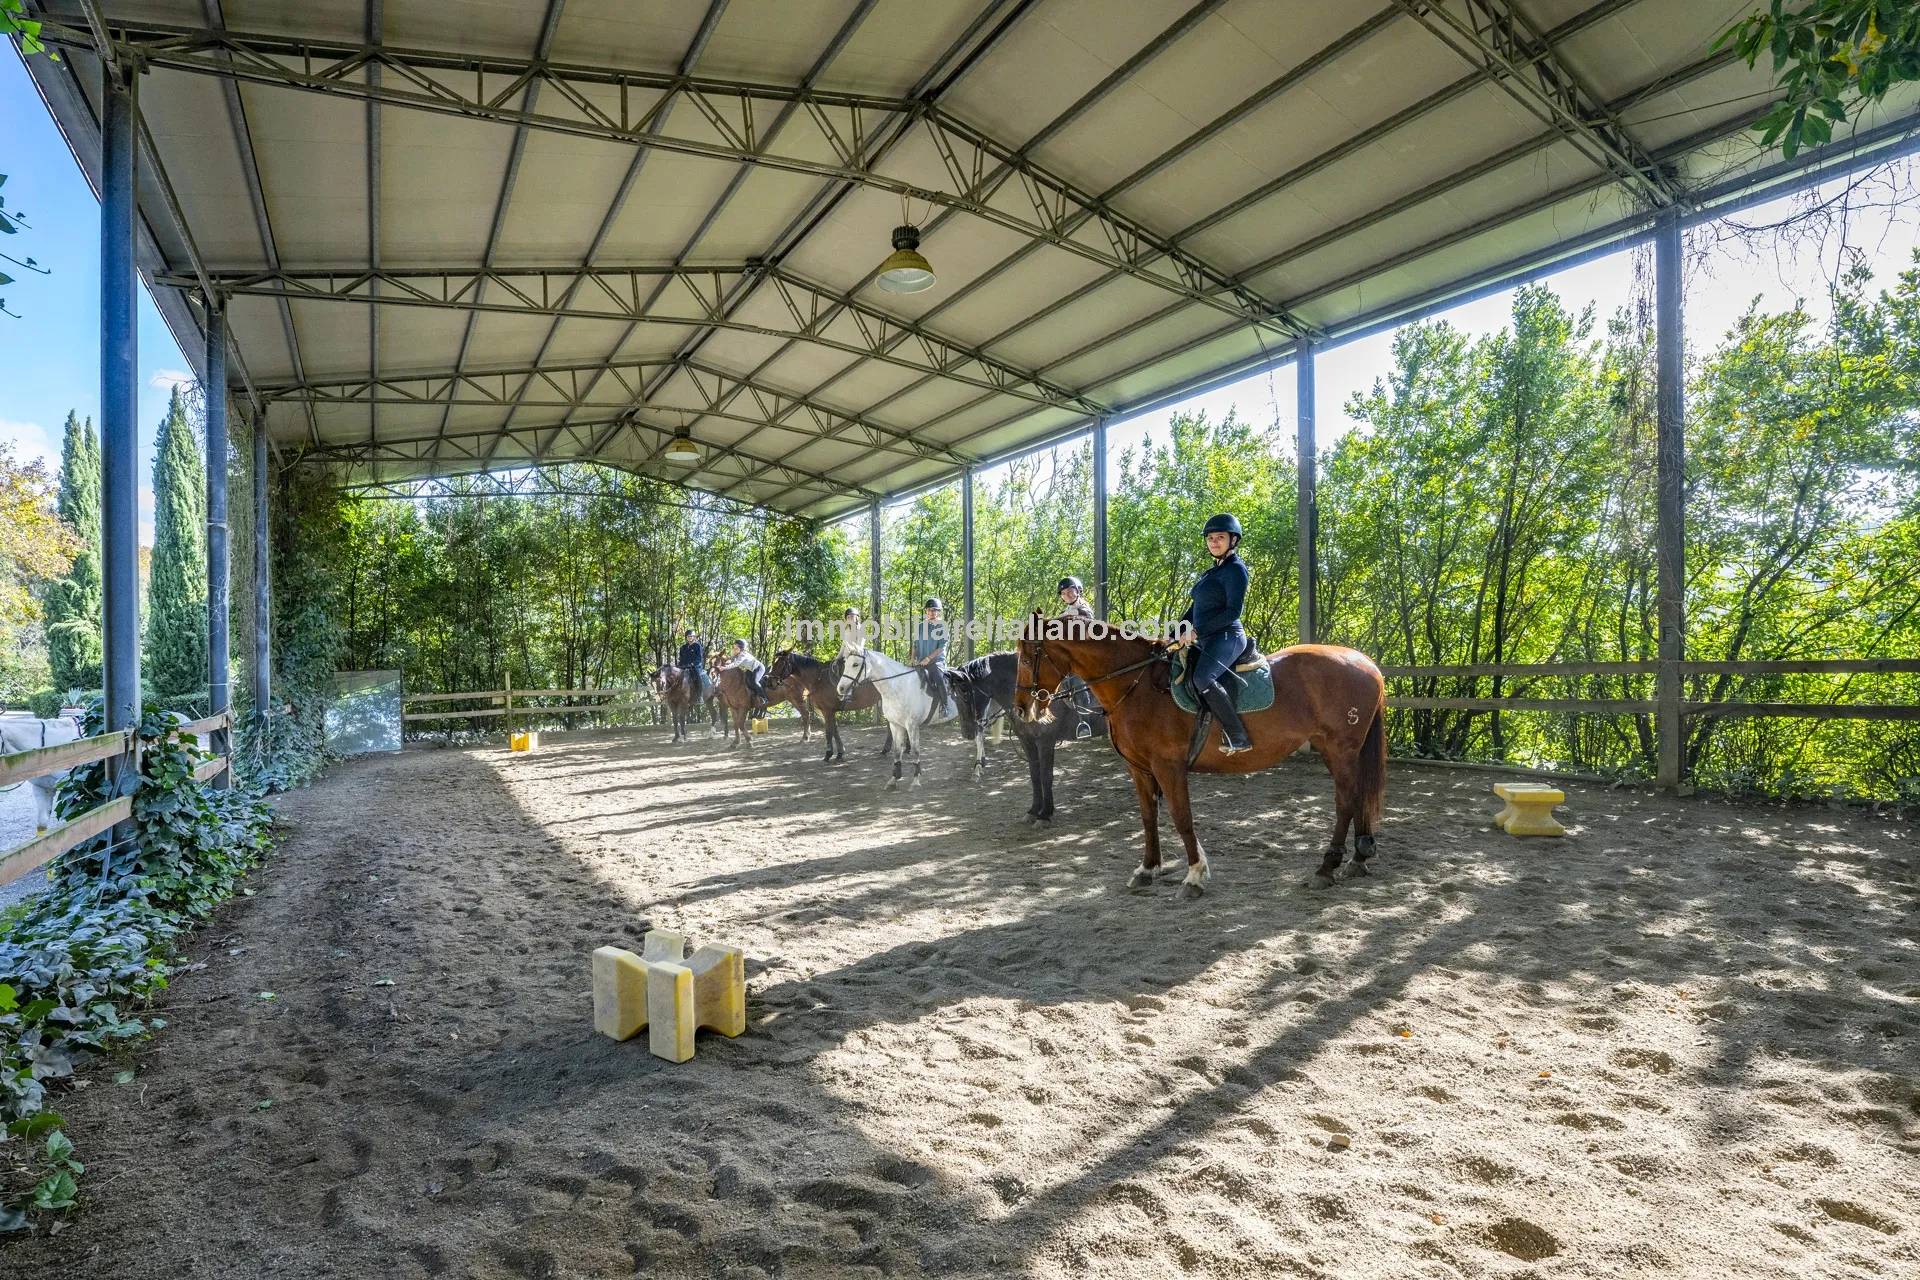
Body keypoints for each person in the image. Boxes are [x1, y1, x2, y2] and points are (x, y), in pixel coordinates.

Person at [1174, 514, 1253, 754]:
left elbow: (1232, 612)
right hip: (1207, 638)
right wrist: (1173, 632)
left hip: (1227, 637)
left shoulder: (1236, 570)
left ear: (1233, 540)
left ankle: (1238, 735)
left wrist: (1197, 632)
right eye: (1210, 538)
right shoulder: (1209, 573)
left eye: (1220, 537)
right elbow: (1193, 610)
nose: (1214, 542)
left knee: (1203, 678)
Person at [912, 597, 950, 702]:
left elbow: (941, 647)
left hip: (936, 662)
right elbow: (915, 645)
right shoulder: (920, 626)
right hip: (920, 662)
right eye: (929, 610)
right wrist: (912, 658)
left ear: (939, 612)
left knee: (939, 678)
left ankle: (944, 705)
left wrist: (928, 658)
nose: (931, 612)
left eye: (934, 610)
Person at [717, 638, 767, 709]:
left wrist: (725, 668)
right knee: (746, 680)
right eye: (734, 648)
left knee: (754, 682)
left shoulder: (743, 655)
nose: (734, 650)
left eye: (736, 648)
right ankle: (753, 695)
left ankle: (764, 698)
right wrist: (728, 660)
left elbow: (736, 664)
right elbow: (732, 658)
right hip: (751, 669)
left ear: (741, 649)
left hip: (759, 668)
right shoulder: (737, 653)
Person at [677, 628, 706, 696]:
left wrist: (691, 664)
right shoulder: (683, 647)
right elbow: (681, 658)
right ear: (686, 637)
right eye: (688, 636)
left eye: (691, 636)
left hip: (695, 666)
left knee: (698, 677)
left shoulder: (697, 646)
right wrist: (680, 665)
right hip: (685, 666)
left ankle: (700, 695)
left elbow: (699, 658)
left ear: (694, 637)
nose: (690, 638)